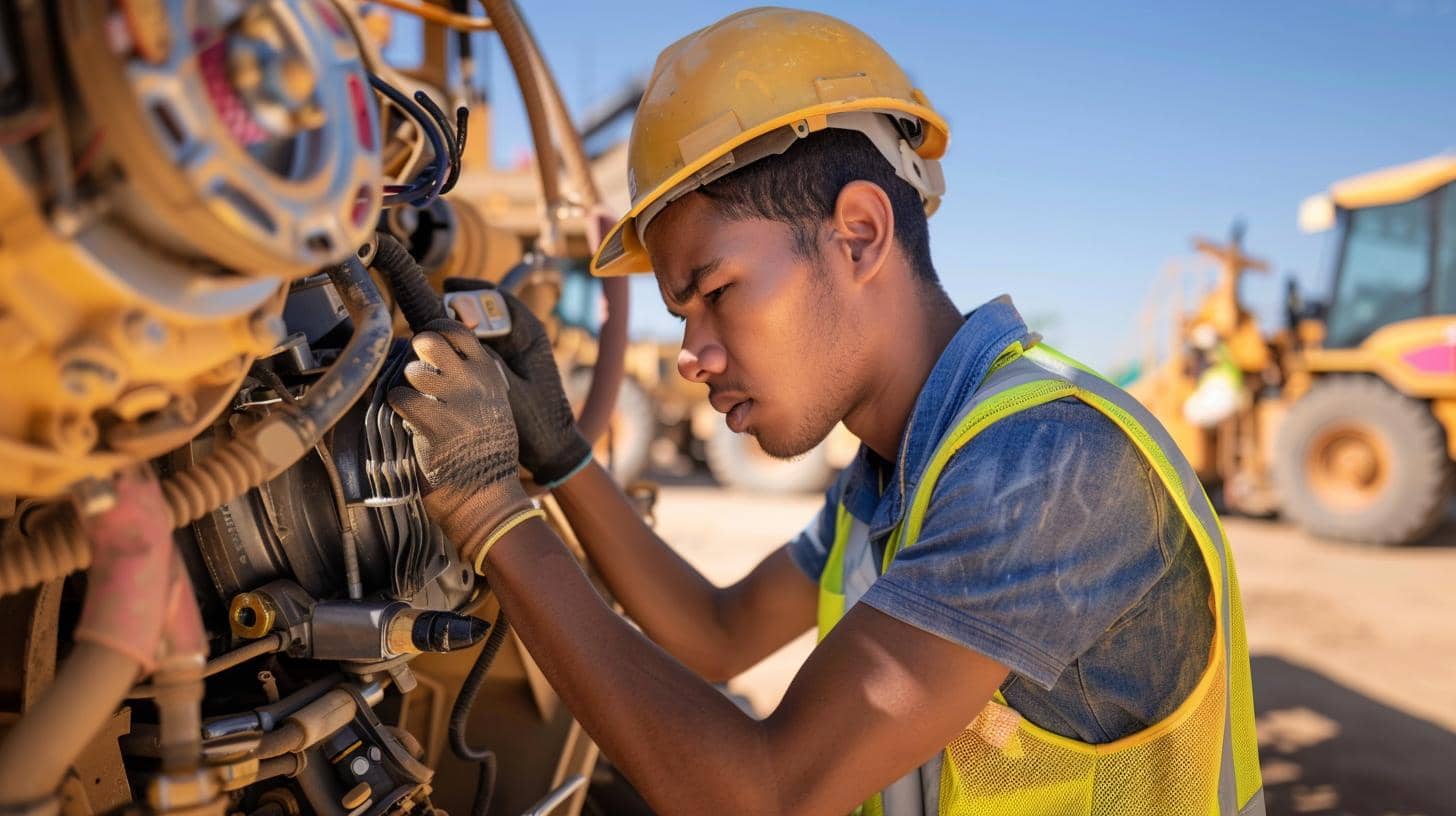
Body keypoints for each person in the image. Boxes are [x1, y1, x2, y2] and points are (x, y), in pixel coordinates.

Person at [388, 8, 1264, 815]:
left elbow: (761, 794)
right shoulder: (893, 471)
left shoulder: (1046, 461)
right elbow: (716, 635)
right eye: (682, 314)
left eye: (717, 291)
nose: (692, 354)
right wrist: (564, 458)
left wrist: (487, 509)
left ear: (859, 234)